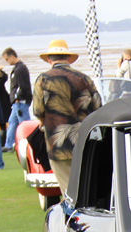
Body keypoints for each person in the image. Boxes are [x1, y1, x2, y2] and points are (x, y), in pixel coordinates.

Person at [31, 39, 101, 196]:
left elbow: (37, 110)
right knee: (87, 191)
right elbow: (98, 108)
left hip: (58, 144)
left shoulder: (42, 80)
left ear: (49, 59)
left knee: (68, 193)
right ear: (68, 59)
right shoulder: (84, 79)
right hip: (85, 144)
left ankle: (72, 219)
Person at [0, 47, 31, 152]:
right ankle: (9, 145)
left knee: (24, 123)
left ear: (12, 56)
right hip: (16, 103)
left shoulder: (21, 69)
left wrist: (18, 97)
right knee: (12, 123)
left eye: (7, 59)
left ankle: (29, 143)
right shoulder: (17, 68)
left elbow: (23, 86)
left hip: (21, 102)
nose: (7, 62)